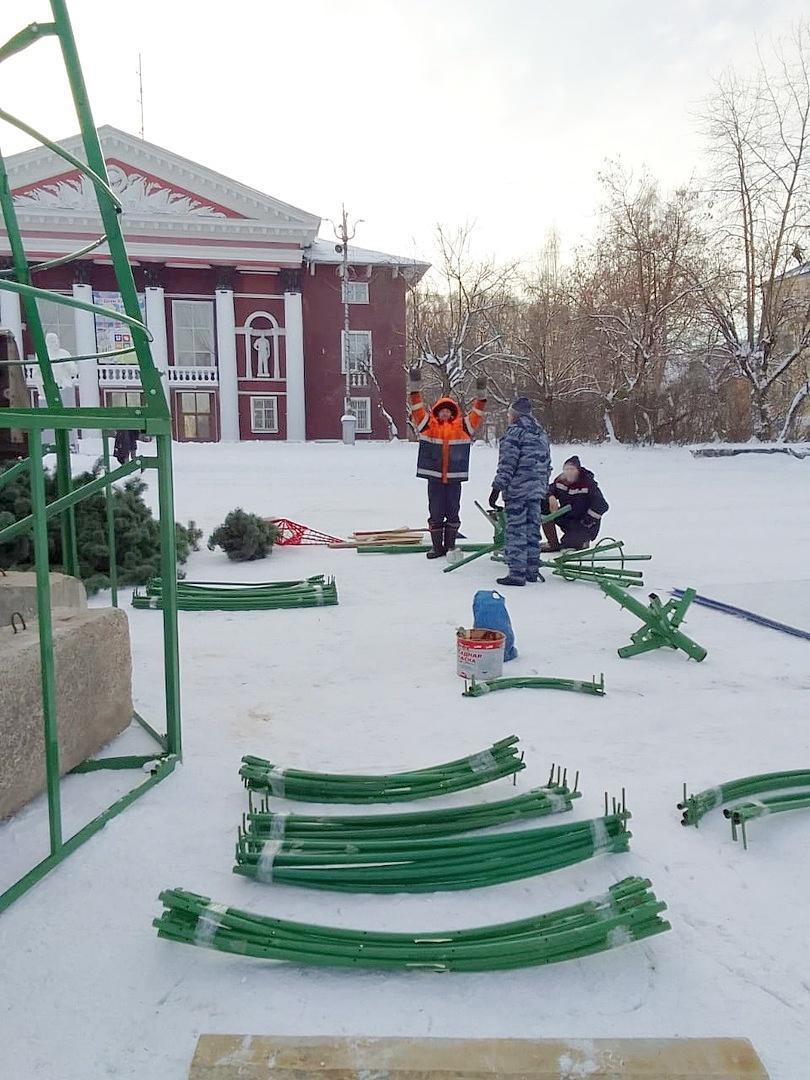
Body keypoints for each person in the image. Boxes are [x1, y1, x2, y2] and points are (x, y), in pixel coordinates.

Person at [408, 368, 487, 559]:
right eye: (441, 411)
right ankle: (437, 547)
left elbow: (477, 412)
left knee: (453, 512)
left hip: (453, 479)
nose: (444, 414)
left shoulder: (464, 426)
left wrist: (481, 393)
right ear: (437, 412)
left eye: (447, 411)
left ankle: (450, 545)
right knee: (435, 512)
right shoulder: (427, 425)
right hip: (434, 479)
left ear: (452, 413)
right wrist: (415, 386)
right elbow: (417, 407)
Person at [489, 397, 550, 587]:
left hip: (518, 491)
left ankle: (516, 573)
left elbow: (508, 464)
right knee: (533, 530)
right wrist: (543, 488)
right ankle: (532, 570)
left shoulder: (515, 433)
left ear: (514, 414)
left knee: (516, 530)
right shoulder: (540, 433)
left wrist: (497, 488)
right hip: (536, 490)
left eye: (508, 414)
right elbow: (547, 464)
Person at [541, 455, 609, 552]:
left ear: (578, 470)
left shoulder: (587, 483)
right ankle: (553, 543)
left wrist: (586, 522)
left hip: (584, 524)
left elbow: (602, 505)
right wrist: (550, 497)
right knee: (543, 503)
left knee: (568, 545)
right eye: (566, 469)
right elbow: (547, 490)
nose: (569, 472)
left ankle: (582, 541)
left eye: (572, 469)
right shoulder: (561, 481)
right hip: (567, 518)